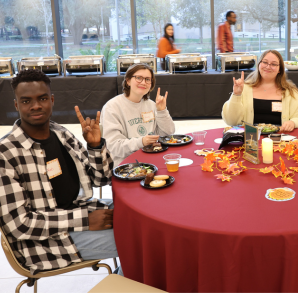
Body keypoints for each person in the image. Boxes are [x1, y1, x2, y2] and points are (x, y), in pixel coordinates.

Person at [0, 69, 120, 275]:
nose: (36, 105)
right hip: (46, 244)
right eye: (26, 101)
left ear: (52, 100)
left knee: (144, 219)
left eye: (42, 98)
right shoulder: (5, 154)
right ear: (16, 105)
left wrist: (95, 146)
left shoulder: (61, 134)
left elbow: (101, 180)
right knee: (142, 242)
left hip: (80, 208)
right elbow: (19, 225)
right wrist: (84, 220)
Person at [101, 63, 175, 166]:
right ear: (128, 81)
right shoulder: (112, 107)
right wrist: (142, 142)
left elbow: (167, 134)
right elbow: (113, 146)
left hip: (153, 159)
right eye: (139, 78)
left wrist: (162, 111)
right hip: (126, 165)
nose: (143, 82)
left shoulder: (152, 105)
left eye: (148, 79)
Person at [222, 49, 298, 132]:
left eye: (274, 64)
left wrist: (294, 122)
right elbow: (231, 121)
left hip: (280, 142)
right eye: (265, 62)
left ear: (280, 69)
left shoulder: (290, 93)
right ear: (259, 64)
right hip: (250, 141)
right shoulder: (243, 89)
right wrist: (236, 95)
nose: (268, 67)